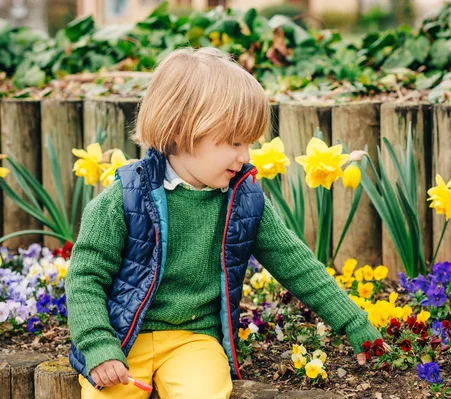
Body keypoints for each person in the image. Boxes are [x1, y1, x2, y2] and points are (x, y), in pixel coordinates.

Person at [66, 47, 382, 399]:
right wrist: (98, 347)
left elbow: (297, 264)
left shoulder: (242, 200)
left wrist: (354, 323)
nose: (245, 156)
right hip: (123, 337)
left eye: (248, 143)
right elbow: (85, 278)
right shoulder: (123, 198)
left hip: (194, 341)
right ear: (182, 130)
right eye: (234, 141)